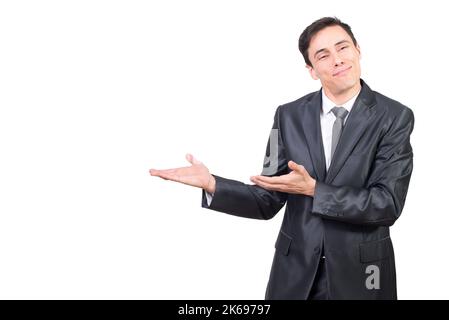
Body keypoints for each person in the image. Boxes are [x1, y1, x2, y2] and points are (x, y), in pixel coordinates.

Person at [149, 17, 414, 300]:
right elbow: (268, 197)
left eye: (343, 48)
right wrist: (214, 184)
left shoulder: (394, 117)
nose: (337, 60)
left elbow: (386, 204)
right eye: (323, 55)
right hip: (295, 275)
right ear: (311, 70)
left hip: (363, 275)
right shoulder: (286, 117)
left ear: (357, 50)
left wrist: (315, 190)